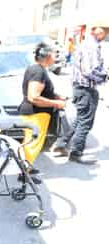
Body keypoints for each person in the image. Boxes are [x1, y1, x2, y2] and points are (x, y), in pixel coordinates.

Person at [18, 42, 72, 156]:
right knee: (32, 146)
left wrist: (55, 96)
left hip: (35, 114)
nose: (55, 57)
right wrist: (56, 103)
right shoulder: (38, 71)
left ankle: (25, 168)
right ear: (47, 56)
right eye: (54, 54)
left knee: (30, 144)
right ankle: (24, 170)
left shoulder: (37, 69)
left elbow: (39, 92)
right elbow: (34, 97)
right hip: (36, 114)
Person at [63, 27, 107, 164]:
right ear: (99, 33)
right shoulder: (92, 47)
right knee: (85, 123)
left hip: (80, 87)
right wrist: (104, 76)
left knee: (80, 119)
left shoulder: (85, 44)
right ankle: (76, 153)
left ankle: (60, 144)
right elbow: (89, 71)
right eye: (105, 33)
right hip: (86, 88)